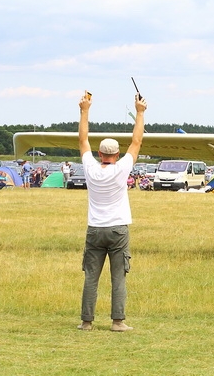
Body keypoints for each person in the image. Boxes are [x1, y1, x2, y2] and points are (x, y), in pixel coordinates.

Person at [77, 92, 147, 332]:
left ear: (99, 154)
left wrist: (85, 110)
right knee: (118, 277)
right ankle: (118, 321)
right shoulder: (122, 168)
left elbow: (83, 140)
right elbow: (136, 142)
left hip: (95, 229)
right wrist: (140, 112)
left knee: (91, 277)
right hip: (118, 229)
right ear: (117, 155)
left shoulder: (90, 168)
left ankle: (86, 322)